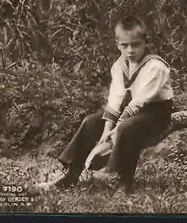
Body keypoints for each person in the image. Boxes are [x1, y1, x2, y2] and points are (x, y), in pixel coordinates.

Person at [40, 15, 174, 194]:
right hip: (129, 108)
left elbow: (139, 101)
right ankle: (72, 175)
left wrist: (115, 131)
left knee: (126, 128)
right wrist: (106, 129)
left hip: (154, 113)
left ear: (145, 42)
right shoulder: (120, 65)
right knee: (91, 122)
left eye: (135, 44)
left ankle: (124, 182)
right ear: (117, 44)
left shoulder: (155, 66)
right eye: (124, 45)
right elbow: (116, 97)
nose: (130, 51)